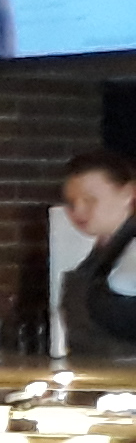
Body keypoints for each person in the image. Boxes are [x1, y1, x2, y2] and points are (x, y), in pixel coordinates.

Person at [62, 151, 136, 362]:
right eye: (71, 202)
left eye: (89, 200)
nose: (78, 211)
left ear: (128, 194)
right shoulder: (98, 256)